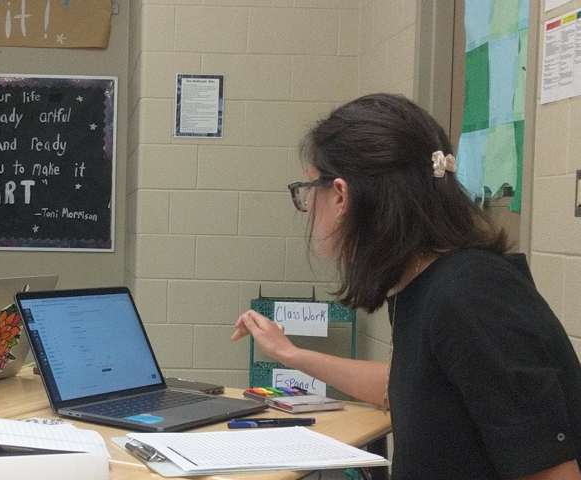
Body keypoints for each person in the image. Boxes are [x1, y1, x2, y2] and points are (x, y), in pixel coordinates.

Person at [231, 93, 581, 479]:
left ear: (342, 195)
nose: (307, 203)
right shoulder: (429, 282)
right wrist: (291, 354)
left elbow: (552, 472)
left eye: (310, 186)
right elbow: (410, 386)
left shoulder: (469, 296)